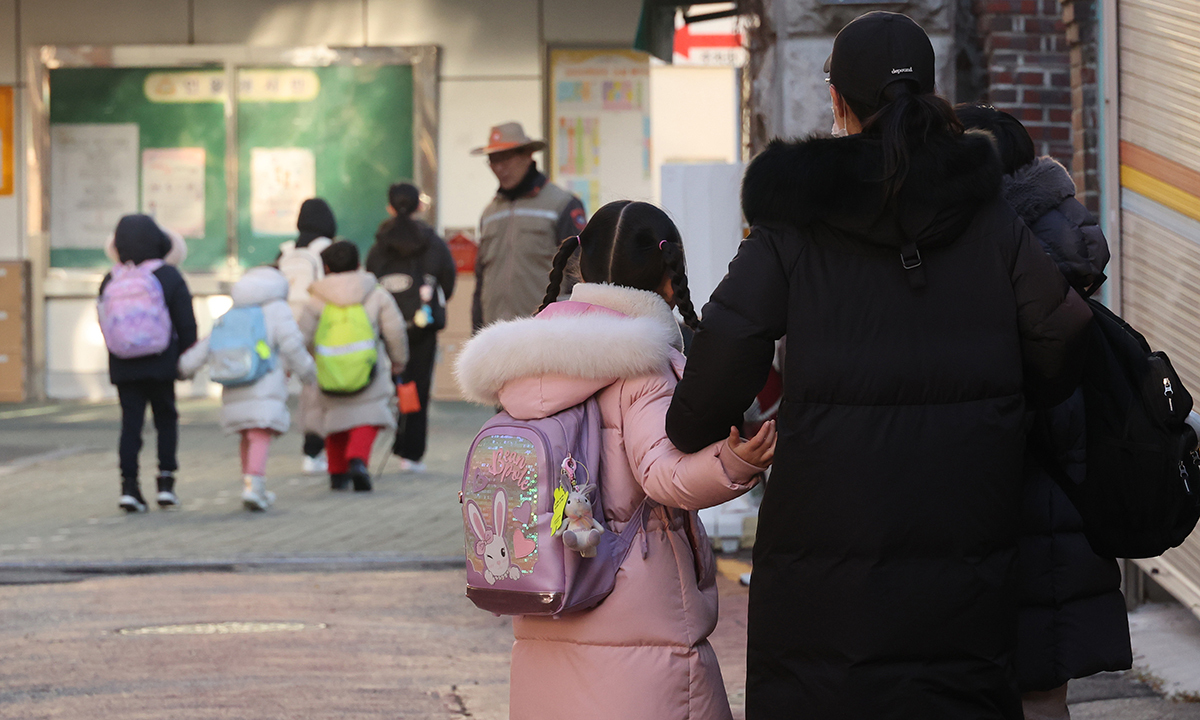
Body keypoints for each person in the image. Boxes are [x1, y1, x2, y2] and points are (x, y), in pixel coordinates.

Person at [664, 12, 1094, 719]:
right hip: (968, 512)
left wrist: (692, 426)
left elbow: (730, 340)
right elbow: (1063, 328)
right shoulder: (987, 214)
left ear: (837, 100)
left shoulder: (794, 219)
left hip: (828, 532)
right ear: (932, 92)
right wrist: (1005, 410)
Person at [455, 200, 776, 720]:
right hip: (639, 607)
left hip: (548, 593)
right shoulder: (640, 364)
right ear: (670, 279)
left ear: (579, 266)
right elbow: (664, 476)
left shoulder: (526, 364)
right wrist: (734, 464)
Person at [957, 103, 1132, 720]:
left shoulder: (999, 249)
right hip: (1065, 499)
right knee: (1044, 688)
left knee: (1014, 685)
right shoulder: (1059, 239)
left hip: (1015, 500)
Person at [178, 266, 317, 511]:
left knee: (247, 433)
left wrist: (183, 368)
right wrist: (308, 373)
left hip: (235, 380)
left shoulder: (234, 310)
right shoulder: (277, 309)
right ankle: (254, 487)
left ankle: (251, 484)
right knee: (260, 432)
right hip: (264, 381)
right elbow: (292, 345)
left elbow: (209, 343)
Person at [100, 214, 198, 513]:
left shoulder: (111, 279)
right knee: (166, 420)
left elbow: (105, 322)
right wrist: (184, 357)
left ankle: (129, 488)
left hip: (123, 364)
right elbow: (186, 324)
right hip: (161, 362)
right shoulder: (168, 276)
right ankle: (165, 484)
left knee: (131, 425)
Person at [299, 241, 408, 492]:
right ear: (359, 265)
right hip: (368, 370)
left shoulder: (316, 299)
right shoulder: (376, 293)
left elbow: (301, 336)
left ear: (325, 268)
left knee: (334, 419)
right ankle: (357, 460)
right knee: (368, 415)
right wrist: (399, 360)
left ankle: (337, 473)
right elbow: (395, 330)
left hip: (328, 370)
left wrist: (299, 365)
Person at [365, 182, 457, 472]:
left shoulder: (380, 244)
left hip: (385, 326)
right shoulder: (433, 242)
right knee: (419, 383)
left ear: (389, 207)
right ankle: (411, 454)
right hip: (423, 325)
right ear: (420, 206)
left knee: (389, 384)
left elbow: (369, 281)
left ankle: (366, 449)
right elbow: (448, 279)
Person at [470, 121, 587, 331]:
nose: (499, 168)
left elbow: (577, 273)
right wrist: (476, 331)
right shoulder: (489, 214)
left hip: (543, 334)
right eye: (493, 160)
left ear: (527, 155)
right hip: (495, 335)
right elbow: (481, 280)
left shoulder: (562, 205)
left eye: (505, 159)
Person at [278, 197, 337, 475]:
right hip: (319, 325)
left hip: (286, 326)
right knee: (316, 390)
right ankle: (315, 448)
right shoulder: (327, 249)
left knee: (300, 387)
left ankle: (307, 447)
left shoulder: (286, 251)